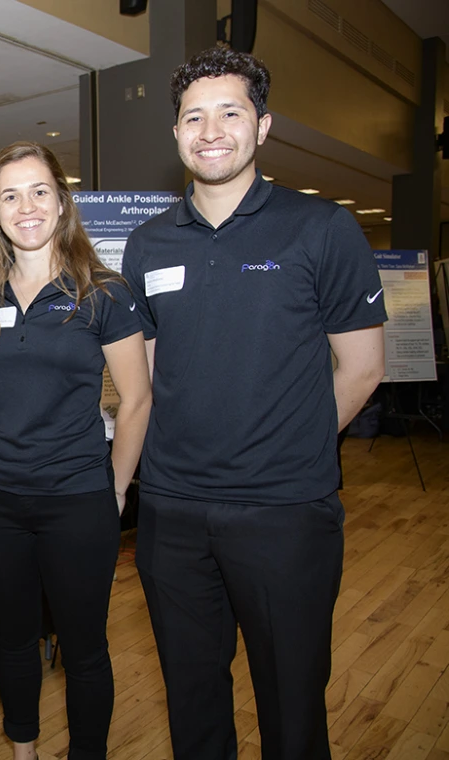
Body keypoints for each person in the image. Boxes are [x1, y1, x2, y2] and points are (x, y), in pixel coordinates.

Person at [121, 46, 386, 760]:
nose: (211, 131)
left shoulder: (321, 229)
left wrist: (287, 446)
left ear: (263, 127)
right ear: (176, 133)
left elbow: (362, 370)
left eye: (230, 113)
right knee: (193, 699)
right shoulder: (146, 246)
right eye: (193, 117)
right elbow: (147, 378)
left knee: (291, 703)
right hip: (172, 514)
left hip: (285, 514)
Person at [0, 142, 151, 760]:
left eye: (39, 191)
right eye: (10, 195)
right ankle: (24, 752)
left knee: (84, 649)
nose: (26, 206)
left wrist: (116, 490)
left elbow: (137, 399)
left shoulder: (101, 292)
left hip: (77, 500)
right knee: (14, 643)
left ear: (62, 202)